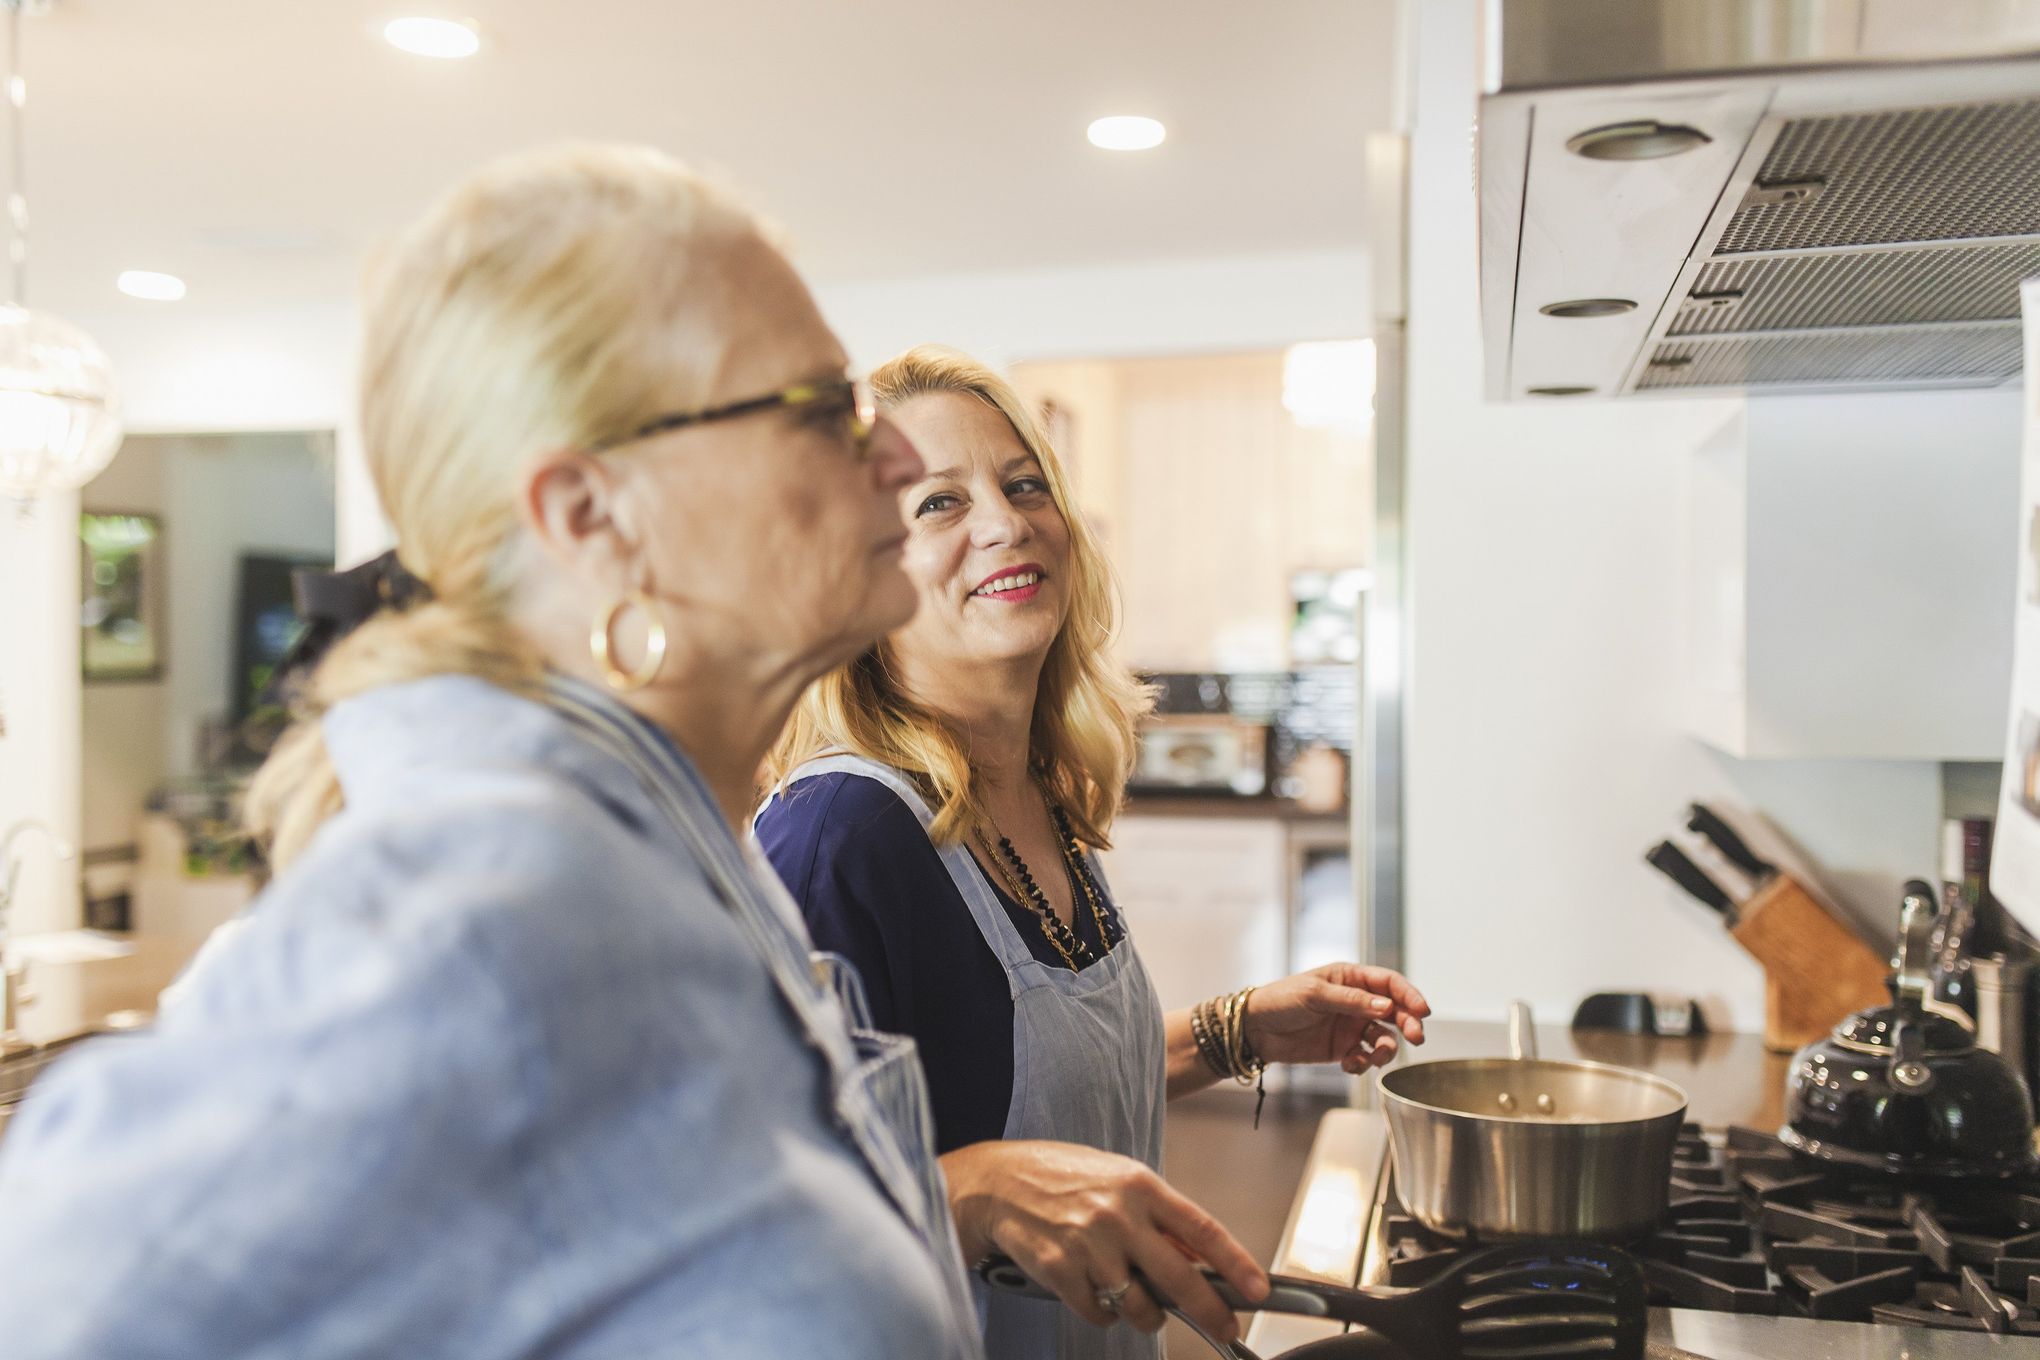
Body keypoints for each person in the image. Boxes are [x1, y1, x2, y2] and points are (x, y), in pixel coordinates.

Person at [0, 150, 1266, 1357]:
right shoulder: (487, 906)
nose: (890, 462)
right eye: (821, 410)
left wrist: (961, 1198)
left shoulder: (676, 862)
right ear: (592, 516)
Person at [758, 344, 1431, 1360]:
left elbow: (1021, 1090)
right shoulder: (837, 839)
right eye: (938, 503)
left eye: (1024, 483)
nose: (1006, 519)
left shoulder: (1035, 796)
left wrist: (1237, 1029)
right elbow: (764, 1215)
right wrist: (975, 1189)